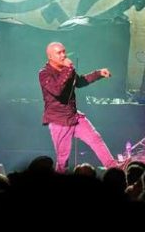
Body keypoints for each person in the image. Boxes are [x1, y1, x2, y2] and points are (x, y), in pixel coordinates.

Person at [38, 41, 116, 172]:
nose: (63, 55)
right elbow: (57, 90)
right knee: (63, 159)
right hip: (58, 120)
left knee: (95, 138)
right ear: (50, 56)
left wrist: (98, 74)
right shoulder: (44, 73)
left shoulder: (67, 70)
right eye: (59, 53)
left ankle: (114, 168)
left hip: (74, 116)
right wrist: (68, 69)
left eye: (64, 51)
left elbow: (79, 82)